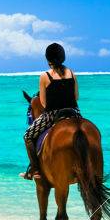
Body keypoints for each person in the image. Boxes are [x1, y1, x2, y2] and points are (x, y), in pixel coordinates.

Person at [21, 42, 81, 180]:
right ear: (63, 57)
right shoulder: (72, 73)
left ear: (48, 60)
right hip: (74, 112)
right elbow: (76, 97)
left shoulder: (44, 76)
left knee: (28, 136)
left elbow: (43, 102)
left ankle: (36, 170)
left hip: (52, 114)